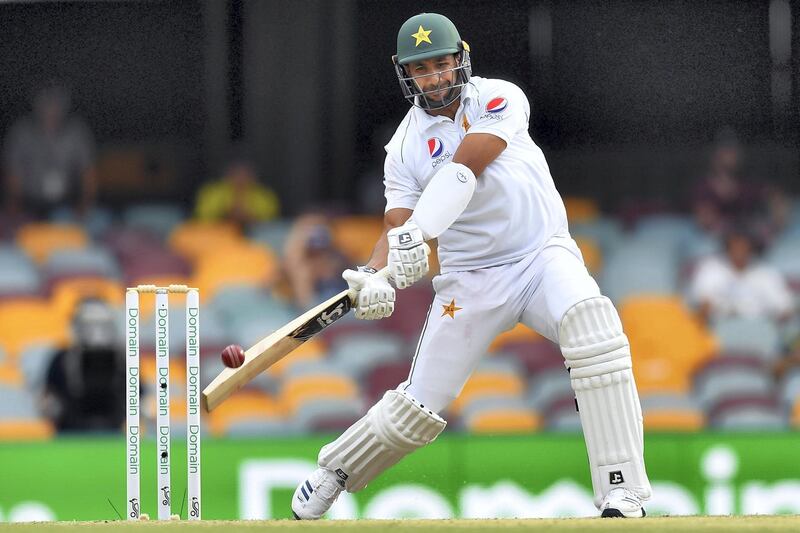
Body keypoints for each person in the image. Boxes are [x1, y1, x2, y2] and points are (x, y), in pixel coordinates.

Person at [291, 13, 651, 519]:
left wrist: (418, 231)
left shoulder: (499, 97)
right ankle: (333, 473)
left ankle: (622, 490)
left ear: (461, 57)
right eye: (422, 69)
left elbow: (465, 167)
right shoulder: (403, 148)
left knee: (592, 323)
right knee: (419, 405)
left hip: (540, 256)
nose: (436, 77)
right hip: (471, 282)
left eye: (442, 64)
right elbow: (399, 229)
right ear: (404, 73)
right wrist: (376, 273)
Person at [3, 83, 97, 219]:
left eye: (56, 104)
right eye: (46, 104)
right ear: (37, 105)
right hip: (29, 202)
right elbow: (13, 172)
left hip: (66, 202)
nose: (51, 109)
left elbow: (88, 172)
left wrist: (85, 204)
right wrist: (14, 204)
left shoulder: (77, 133)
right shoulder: (21, 132)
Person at [41, 299, 125, 432]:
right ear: (78, 326)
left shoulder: (123, 359)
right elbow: (48, 395)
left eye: (102, 325)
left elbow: (138, 395)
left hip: (113, 433)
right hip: (69, 434)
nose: (96, 332)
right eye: (89, 325)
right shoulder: (61, 359)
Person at [688, 226, 795, 323]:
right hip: (719, 329)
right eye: (735, 245)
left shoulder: (766, 274)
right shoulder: (710, 269)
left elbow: (785, 307)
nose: (739, 251)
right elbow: (702, 302)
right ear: (727, 247)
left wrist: (778, 319)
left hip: (758, 331)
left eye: (743, 246)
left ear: (751, 248)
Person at [282, 213, 349, 308]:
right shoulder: (300, 268)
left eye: (320, 228)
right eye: (309, 230)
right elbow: (305, 304)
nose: (316, 234)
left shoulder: (339, 258)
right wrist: (298, 248)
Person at [194, 154, 280, 227]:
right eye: (236, 173)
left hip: (253, 234)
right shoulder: (213, 192)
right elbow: (202, 216)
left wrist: (249, 217)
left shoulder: (263, 195)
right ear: (228, 174)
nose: (240, 178)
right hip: (219, 233)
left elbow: (271, 220)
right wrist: (225, 214)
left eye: (245, 173)